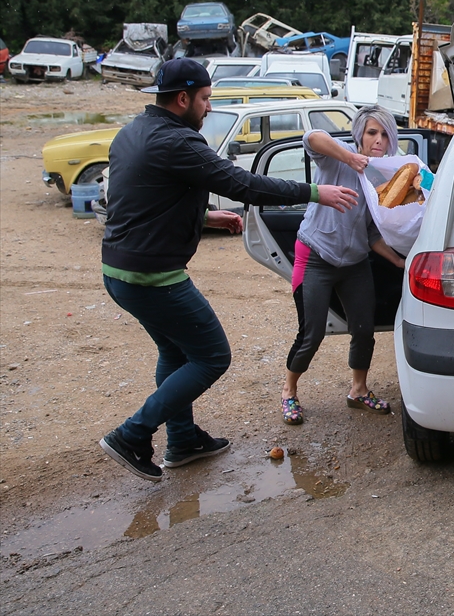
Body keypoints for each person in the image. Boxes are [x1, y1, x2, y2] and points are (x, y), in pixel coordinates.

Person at [99, 58, 359, 482]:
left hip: (119, 270)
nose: (207, 108)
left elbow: (142, 203)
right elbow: (243, 184)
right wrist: (315, 191)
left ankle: (182, 442)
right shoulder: (179, 142)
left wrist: (203, 217)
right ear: (182, 99)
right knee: (212, 356)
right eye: (204, 100)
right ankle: (132, 435)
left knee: (175, 352)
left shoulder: (132, 133)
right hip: (154, 278)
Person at [281, 105, 405, 426]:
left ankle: (358, 390)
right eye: (371, 132)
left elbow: (371, 231)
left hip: (355, 262)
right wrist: (349, 158)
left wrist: (399, 261)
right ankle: (289, 391)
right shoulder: (340, 155)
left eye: (384, 134)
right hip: (315, 256)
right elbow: (312, 137)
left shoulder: (383, 174)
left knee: (364, 329)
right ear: (360, 135)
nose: (378, 140)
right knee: (312, 333)